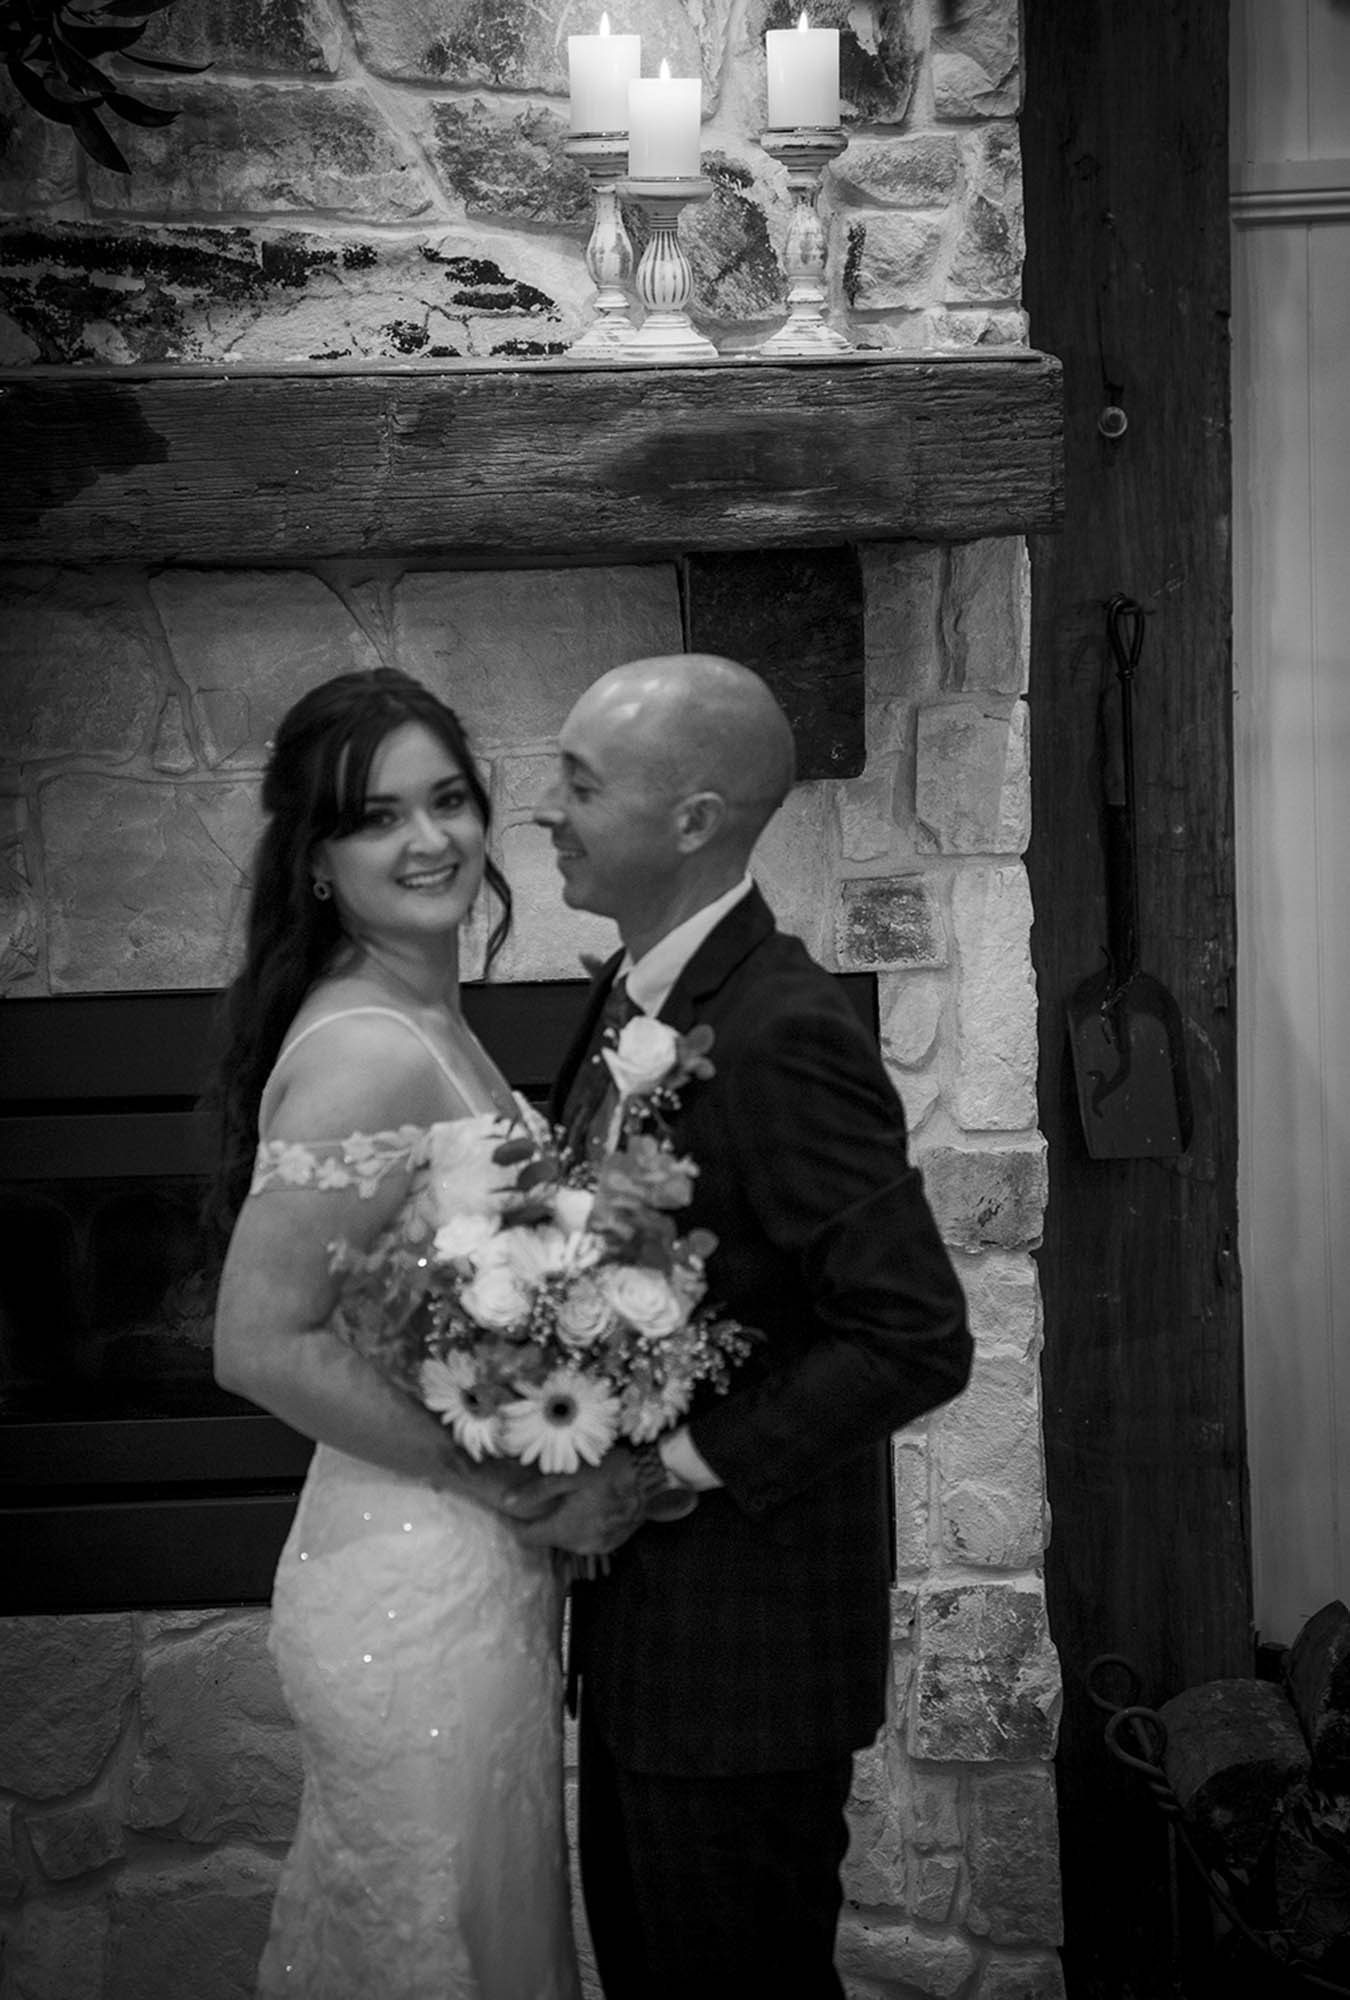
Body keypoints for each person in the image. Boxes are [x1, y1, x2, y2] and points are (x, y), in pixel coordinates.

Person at [526, 653, 973, 1999]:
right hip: (649, 1652)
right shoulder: (630, 1000)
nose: (546, 810)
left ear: (693, 818)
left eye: (580, 785)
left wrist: (666, 1471)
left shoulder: (779, 1028)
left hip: (744, 1665)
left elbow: (910, 1335)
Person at [209, 668, 612, 2000]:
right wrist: (498, 1475)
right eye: (378, 818)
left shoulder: (430, 1017)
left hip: (471, 1573)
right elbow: (260, 1342)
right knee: (431, 1946)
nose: (427, 840)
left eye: (446, 799)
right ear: (320, 861)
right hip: (410, 1585)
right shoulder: (367, 1046)